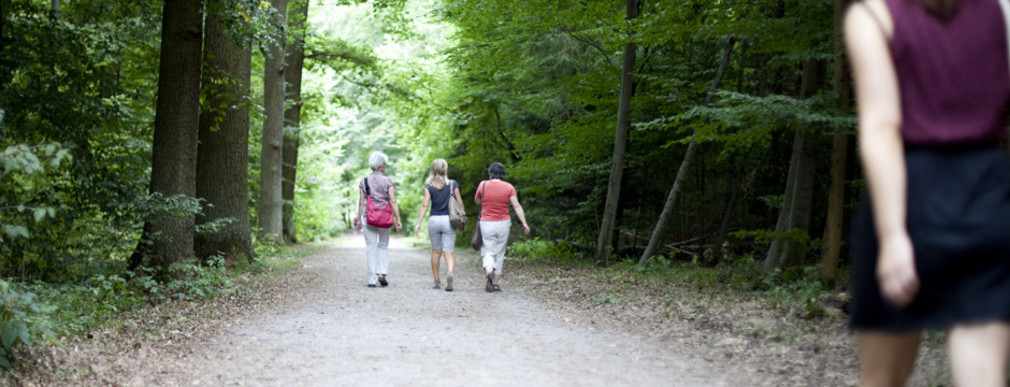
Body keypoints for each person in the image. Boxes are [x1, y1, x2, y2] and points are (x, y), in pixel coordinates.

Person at [844, 0, 1010, 385]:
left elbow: (882, 128)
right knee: (985, 375)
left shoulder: (872, 14)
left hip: (907, 192)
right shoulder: (1000, 10)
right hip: (987, 192)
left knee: (882, 378)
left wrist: (893, 236)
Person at [474, 162, 530, 292]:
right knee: (499, 253)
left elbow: (477, 201)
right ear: (503, 174)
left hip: (487, 222)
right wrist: (524, 223)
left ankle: (488, 270)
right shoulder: (509, 187)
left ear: (490, 174)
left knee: (488, 249)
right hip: (503, 223)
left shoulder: (483, 185)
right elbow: (516, 206)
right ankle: (496, 283)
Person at [414, 159, 465, 291]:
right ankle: (449, 272)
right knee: (448, 251)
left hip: (434, 221)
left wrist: (419, 222)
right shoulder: (453, 184)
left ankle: (437, 281)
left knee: (436, 251)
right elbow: (460, 203)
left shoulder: (428, 186)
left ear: (433, 169)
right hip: (449, 220)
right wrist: (462, 221)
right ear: (445, 169)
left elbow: (425, 205)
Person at [354, 151, 403, 287]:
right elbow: (392, 200)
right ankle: (381, 273)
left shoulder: (364, 181)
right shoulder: (388, 181)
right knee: (383, 245)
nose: (385, 166)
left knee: (371, 247)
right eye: (384, 164)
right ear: (381, 165)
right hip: (384, 217)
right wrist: (398, 218)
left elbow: (361, 202)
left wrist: (359, 219)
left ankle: (371, 280)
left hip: (368, 217)